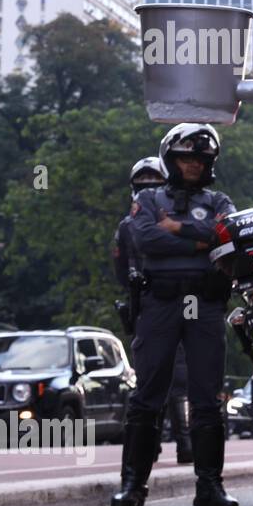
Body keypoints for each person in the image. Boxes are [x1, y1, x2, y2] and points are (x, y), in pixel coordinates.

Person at [111, 124, 237, 506]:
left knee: (206, 396)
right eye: (186, 158)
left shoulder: (219, 199)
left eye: (200, 159)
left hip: (205, 301)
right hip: (160, 301)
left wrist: (179, 228)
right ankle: (133, 484)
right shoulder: (148, 198)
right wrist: (202, 238)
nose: (193, 165)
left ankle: (209, 486)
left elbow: (229, 234)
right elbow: (144, 238)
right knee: (147, 393)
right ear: (171, 159)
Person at [112, 157, 194, 466]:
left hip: (155, 302)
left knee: (155, 375)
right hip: (162, 301)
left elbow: (120, 270)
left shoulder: (129, 224)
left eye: (153, 184)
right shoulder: (173, 219)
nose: (148, 190)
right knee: (169, 375)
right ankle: (174, 443)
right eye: (144, 185)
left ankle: (165, 443)